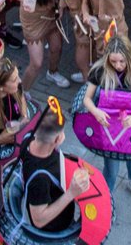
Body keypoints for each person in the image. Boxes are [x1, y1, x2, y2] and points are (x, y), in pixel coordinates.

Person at [82, 32, 131, 203]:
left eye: (122, 61)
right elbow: (87, 98)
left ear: (129, 56)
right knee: (111, 166)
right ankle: (107, 199)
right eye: (113, 61)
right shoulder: (100, 69)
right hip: (108, 126)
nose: (118, 65)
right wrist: (96, 112)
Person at [19, 98, 92, 236]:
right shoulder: (39, 179)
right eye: (62, 133)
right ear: (57, 139)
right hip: (54, 228)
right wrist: (71, 193)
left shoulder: (28, 139)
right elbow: (38, 220)